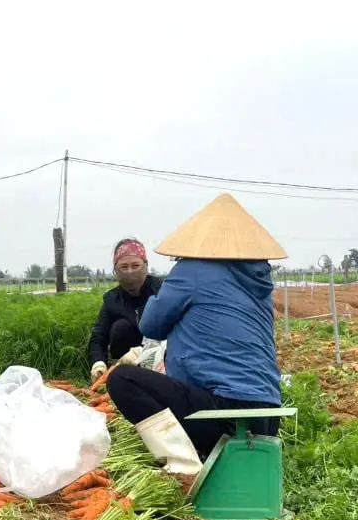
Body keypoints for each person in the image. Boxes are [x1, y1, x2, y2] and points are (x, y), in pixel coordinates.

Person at [107, 194, 285, 475]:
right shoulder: (259, 282)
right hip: (268, 415)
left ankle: (185, 469)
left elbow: (151, 326)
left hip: (223, 412)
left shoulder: (192, 271)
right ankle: (204, 452)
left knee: (122, 379)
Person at [88, 238, 165, 382]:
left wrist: (144, 350)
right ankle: (120, 375)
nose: (130, 272)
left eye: (135, 265)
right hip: (124, 361)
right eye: (124, 267)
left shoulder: (162, 291)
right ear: (115, 270)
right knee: (120, 326)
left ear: (146, 266)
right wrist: (98, 362)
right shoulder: (112, 299)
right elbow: (98, 336)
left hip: (159, 357)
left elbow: (176, 329)